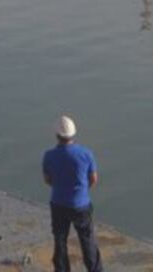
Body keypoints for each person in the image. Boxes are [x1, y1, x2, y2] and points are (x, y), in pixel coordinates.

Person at [42, 115, 103, 272]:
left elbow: (48, 180)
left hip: (58, 203)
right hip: (81, 204)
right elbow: (93, 179)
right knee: (87, 239)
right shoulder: (86, 153)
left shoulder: (49, 155)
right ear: (73, 134)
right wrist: (82, 190)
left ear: (57, 135)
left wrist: (60, 188)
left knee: (60, 239)